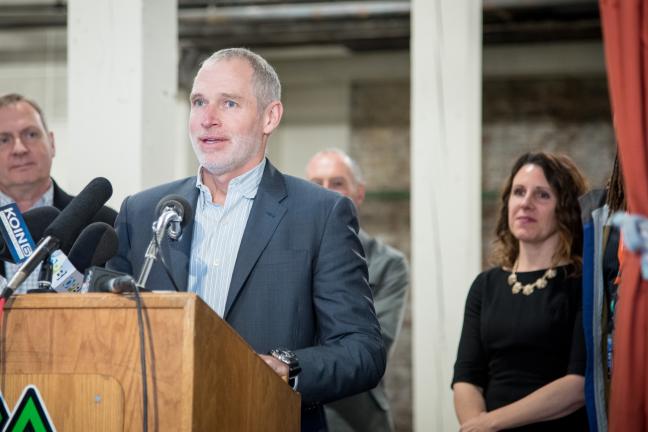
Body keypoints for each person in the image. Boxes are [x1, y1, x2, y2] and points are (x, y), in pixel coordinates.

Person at [108, 48, 386, 431]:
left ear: (270, 116)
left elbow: (363, 350)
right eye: (199, 102)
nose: (207, 119)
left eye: (230, 103)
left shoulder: (320, 215)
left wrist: (288, 366)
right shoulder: (143, 212)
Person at [452, 151, 589, 431]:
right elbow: (466, 377)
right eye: (519, 192)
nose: (526, 203)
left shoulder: (583, 283)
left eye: (542, 195)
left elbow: (577, 385)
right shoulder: (485, 286)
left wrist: (490, 423)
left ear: (566, 209)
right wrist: (476, 425)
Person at [305, 148, 408, 432]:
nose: (326, 193)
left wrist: (293, 353)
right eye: (316, 184)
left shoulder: (389, 264)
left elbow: (372, 348)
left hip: (355, 418)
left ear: (359, 193)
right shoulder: (288, 255)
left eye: (337, 183)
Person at [0, 93, 117, 290]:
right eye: (4, 140)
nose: (19, 149)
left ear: (52, 143)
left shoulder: (102, 222)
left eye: (31, 134)